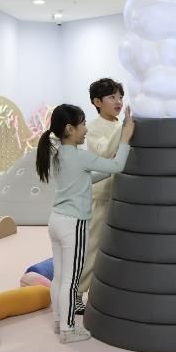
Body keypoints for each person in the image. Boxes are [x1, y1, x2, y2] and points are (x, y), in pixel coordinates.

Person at [36, 103, 134, 344]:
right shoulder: (79, 156)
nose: (86, 130)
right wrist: (126, 138)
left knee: (59, 277)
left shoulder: (57, 153)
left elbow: (85, 178)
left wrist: (108, 169)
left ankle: (59, 321)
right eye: (82, 125)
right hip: (73, 224)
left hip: (56, 221)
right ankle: (68, 330)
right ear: (70, 129)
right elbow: (118, 166)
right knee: (71, 281)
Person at [75, 78, 125, 314]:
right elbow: (105, 152)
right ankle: (76, 292)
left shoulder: (120, 125)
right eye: (112, 97)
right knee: (93, 246)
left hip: (121, 195)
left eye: (120, 97)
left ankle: (106, 291)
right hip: (102, 195)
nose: (118, 102)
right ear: (97, 102)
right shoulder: (95, 128)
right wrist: (126, 130)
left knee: (117, 247)